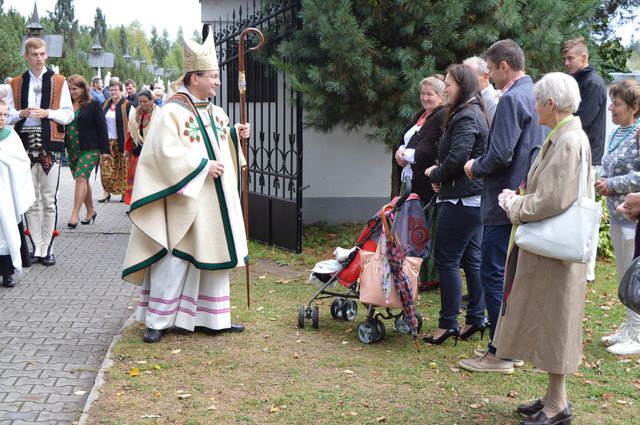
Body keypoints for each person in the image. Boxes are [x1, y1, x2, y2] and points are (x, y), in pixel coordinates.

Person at [122, 33, 250, 343]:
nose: (218, 82)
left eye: (218, 76)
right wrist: (202, 167)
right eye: (213, 76)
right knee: (175, 256)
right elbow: (162, 154)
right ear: (194, 78)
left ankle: (212, 318)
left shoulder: (216, 112)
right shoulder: (171, 112)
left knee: (213, 254)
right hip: (184, 200)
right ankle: (157, 321)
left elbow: (218, 144)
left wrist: (235, 135)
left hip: (215, 201)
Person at [489, 72, 589, 425]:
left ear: (550, 103)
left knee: (555, 324)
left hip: (556, 254)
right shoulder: (563, 137)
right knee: (548, 321)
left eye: (536, 101)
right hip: (551, 251)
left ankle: (558, 405)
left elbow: (554, 198)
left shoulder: (568, 141)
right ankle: (552, 396)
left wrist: (517, 207)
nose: (533, 108)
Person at [461, 39, 546, 373]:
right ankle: (513, 347)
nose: (490, 77)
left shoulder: (511, 98)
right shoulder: (535, 93)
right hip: (525, 198)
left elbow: (501, 155)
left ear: (504, 66)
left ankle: (500, 352)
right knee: (512, 276)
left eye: (491, 69)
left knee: (494, 274)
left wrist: (473, 167)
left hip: (503, 201)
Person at [423, 64, 488, 346]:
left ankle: (448, 323)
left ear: (463, 85)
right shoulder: (470, 111)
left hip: (462, 199)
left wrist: (436, 174)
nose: (445, 88)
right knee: (471, 259)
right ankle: (476, 318)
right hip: (470, 198)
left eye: (448, 84)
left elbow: (459, 157)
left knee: (447, 259)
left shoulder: (466, 115)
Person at [5, 37, 74, 266]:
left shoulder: (59, 81)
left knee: (49, 198)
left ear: (47, 55)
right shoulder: (16, 83)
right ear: (26, 56)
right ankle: (37, 247)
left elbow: (68, 114)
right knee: (30, 199)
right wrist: (21, 113)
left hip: (50, 143)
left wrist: (48, 113)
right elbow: (8, 114)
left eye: (42, 54)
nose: (39, 58)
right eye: (34, 54)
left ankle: (48, 247)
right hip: (22, 145)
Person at [597, 80, 640, 356]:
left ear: (635, 108)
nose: (611, 108)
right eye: (611, 102)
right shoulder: (617, 133)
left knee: (635, 276)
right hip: (616, 214)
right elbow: (607, 164)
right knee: (624, 274)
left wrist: (612, 184)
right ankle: (628, 326)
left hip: (633, 217)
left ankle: (637, 334)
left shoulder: (639, 133)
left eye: (618, 104)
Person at [562, 36, 607, 282]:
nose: (567, 63)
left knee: (583, 210)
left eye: (571, 58)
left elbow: (581, 120)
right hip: (575, 154)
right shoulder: (577, 80)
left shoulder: (593, 83)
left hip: (587, 157)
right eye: (565, 59)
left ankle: (586, 267)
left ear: (584, 57)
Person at [65, 75, 110, 228]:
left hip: (90, 148)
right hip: (71, 149)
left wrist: (105, 151)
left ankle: (74, 214)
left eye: (75, 89)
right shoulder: (65, 104)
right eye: (69, 89)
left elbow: (102, 128)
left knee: (80, 179)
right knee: (82, 180)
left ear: (83, 88)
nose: (72, 92)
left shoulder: (93, 104)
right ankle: (90, 210)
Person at [0, 99, 35, 287]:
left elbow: (21, 161)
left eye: (5, 115)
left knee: (7, 229)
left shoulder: (10, 135)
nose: (2, 119)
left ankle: (7, 272)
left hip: (5, 191)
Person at [394, 75, 446, 203]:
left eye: (430, 94)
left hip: (425, 183)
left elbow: (429, 150)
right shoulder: (420, 115)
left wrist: (404, 156)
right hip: (409, 179)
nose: (425, 98)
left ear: (441, 97)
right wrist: (399, 151)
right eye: (422, 93)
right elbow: (406, 141)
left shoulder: (441, 116)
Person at [98, 80, 134, 203]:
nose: (113, 92)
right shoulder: (105, 104)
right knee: (105, 168)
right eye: (111, 90)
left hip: (122, 141)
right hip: (107, 141)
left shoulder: (127, 105)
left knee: (122, 168)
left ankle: (124, 192)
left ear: (121, 90)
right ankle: (106, 192)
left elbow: (132, 124)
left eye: (116, 90)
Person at [124, 89, 157, 207]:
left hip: (151, 153)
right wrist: (127, 150)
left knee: (148, 179)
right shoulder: (135, 113)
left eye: (145, 101)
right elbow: (130, 133)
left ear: (152, 100)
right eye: (140, 101)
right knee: (135, 179)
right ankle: (134, 203)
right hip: (136, 152)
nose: (142, 104)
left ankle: (148, 204)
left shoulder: (158, 114)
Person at [463, 56, 498, 124]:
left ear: (485, 76)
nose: (465, 80)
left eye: (470, 76)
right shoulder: (470, 97)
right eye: (464, 76)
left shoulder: (493, 101)